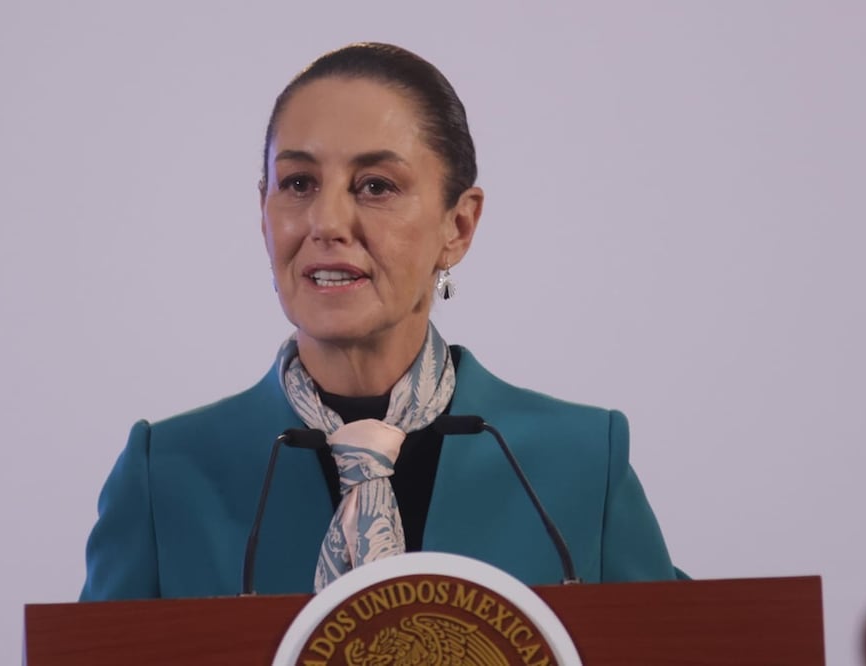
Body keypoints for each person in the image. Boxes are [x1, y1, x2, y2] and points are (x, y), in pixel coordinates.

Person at [80, 42, 681, 601]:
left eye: (375, 185)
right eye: (298, 183)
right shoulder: (165, 475)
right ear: (262, 212)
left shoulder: (575, 464)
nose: (326, 222)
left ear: (458, 226)